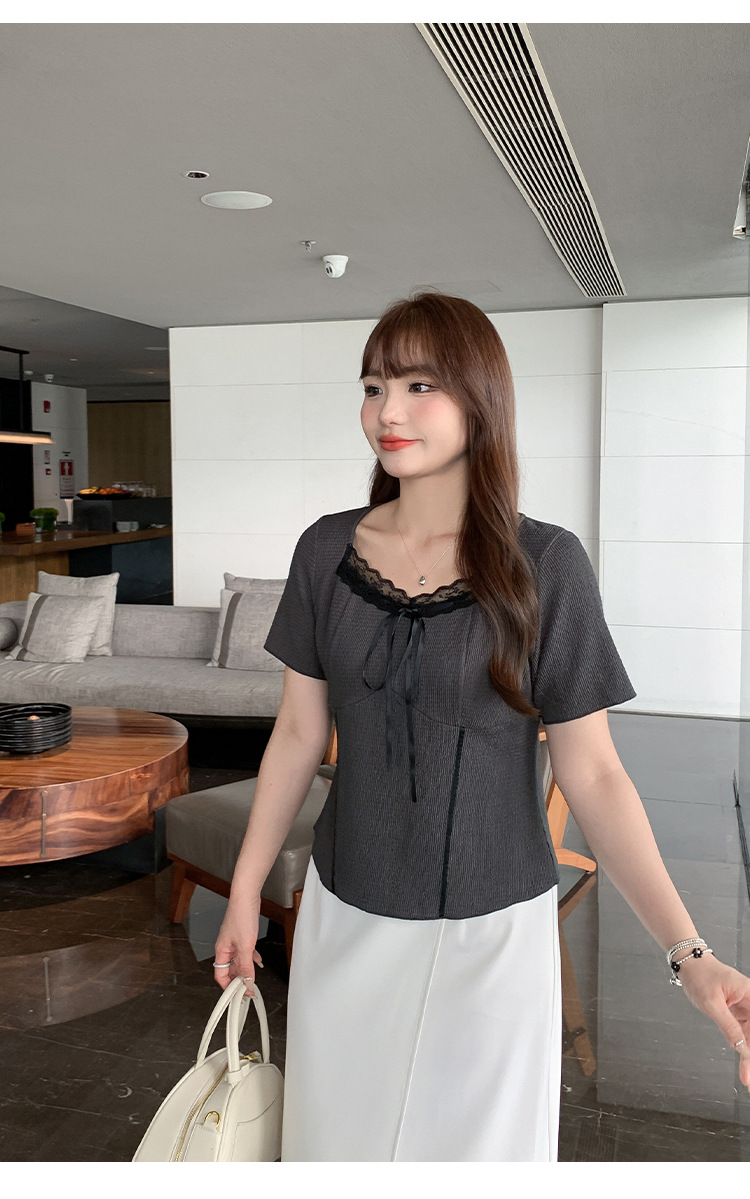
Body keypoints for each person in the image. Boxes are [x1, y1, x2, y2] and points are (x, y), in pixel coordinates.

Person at [212, 290, 750, 1162]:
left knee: (478, 1154)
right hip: (346, 912)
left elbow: (595, 773)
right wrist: (244, 892)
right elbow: (298, 736)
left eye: (420, 385)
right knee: (335, 1142)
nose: (388, 411)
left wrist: (690, 955)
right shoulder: (323, 551)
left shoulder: (548, 564)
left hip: (495, 931)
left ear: (480, 400)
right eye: (374, 386)